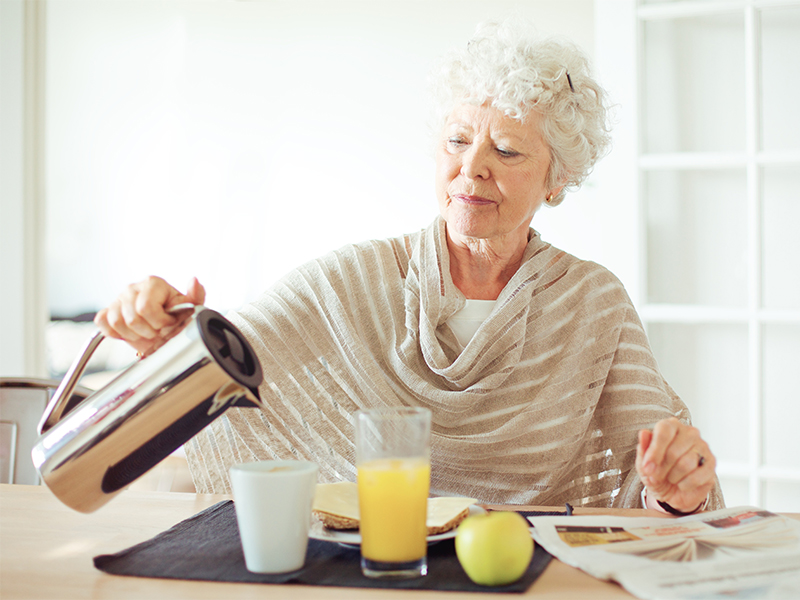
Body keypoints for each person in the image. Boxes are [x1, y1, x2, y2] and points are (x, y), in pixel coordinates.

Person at [95, 21, 722, 514]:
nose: (472, 167)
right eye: (457, 141)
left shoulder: (593, 304)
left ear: (557, 179)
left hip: (523, 581)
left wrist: (678, 484)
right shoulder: (354, 281)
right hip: (364, 568)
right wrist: (162, 325)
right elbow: (221, 359)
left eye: (506, 149)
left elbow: (659, 483)